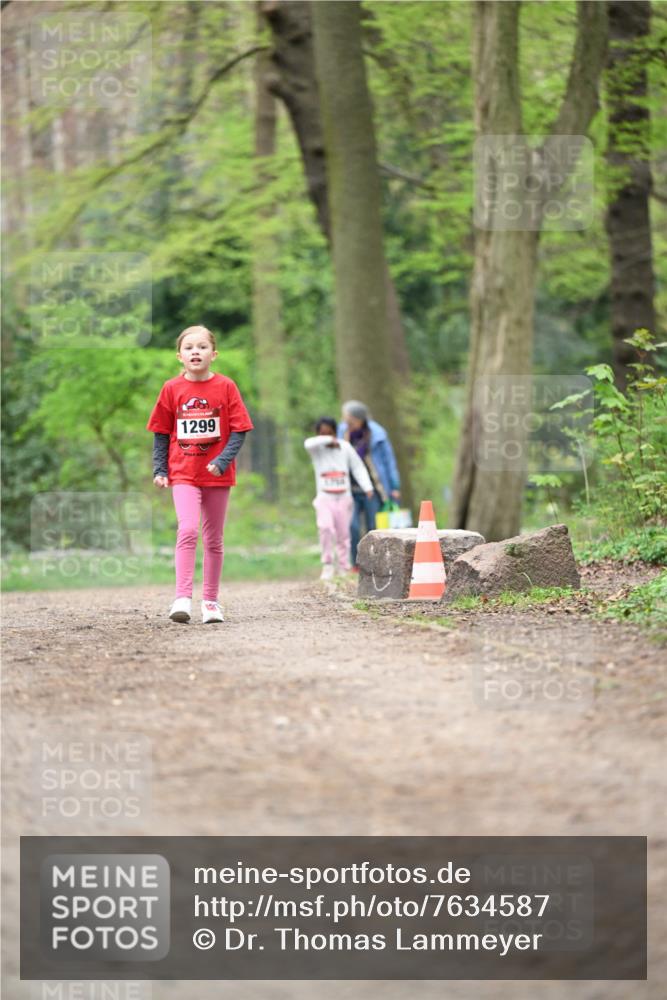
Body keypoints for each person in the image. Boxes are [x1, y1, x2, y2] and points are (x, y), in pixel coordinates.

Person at [147, 325, 253, 623]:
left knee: (214, 538)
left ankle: (210, 602)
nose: (196, 351)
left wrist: (222, 460)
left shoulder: (226, 386)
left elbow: (240, 429)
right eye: (189, 347)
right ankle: (182, 598)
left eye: (202, 347)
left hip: (218, 474)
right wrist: (159, 468)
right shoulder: (171, 388)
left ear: (213, 354)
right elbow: (160, 431)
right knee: (188, 530)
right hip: (183, 472)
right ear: (179, 356)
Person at [304, 416, 373, 580]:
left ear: (336, 431)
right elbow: (308, 443)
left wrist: (367, 486)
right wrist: (326, 439)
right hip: (324, 497)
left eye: (330, 432)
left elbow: (357, 467)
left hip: (343, 497)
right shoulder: (317, 450)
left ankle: (343, 566)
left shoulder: (345, 447)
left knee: (343, 534)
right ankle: (327, 564)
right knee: (325, 528)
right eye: (322, 433)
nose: (326, 436)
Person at [338, 400, 401, 568]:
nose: (347, 422)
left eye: (350, 419)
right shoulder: (342, 432)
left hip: (373, 489)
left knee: (373, 526)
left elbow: (388, 461)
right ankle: (356, 564)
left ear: (359, 419)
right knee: (352, 526)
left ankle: (375, 563)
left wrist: (394, 486)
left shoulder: (377, 434)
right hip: (349, 489)